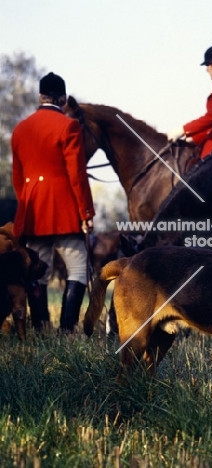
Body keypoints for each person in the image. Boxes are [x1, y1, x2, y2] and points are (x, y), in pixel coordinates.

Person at [11, 72, 95, 334]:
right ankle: (67, 329)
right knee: (78, 268)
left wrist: (26, 204)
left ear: (40, 97)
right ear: (61, 99)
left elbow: (17, 178)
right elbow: (77, 174)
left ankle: (40, 327)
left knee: (38, 271)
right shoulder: (69, 126)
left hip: (33, 209)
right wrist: (86, 212)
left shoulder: (20, 128)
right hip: (64, 208)